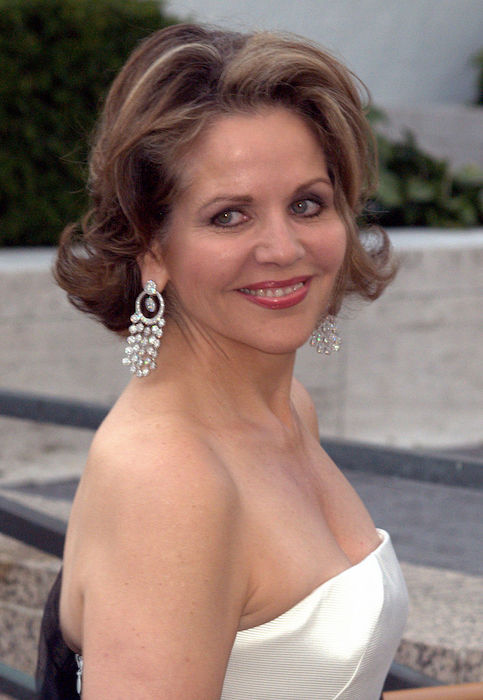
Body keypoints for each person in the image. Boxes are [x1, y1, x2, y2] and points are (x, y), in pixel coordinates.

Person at [37, 23, 408, 699]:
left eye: (306, 204)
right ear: (151, 245)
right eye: (229, 216)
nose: (282, 247)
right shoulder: (169, 478)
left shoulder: (288, 410)